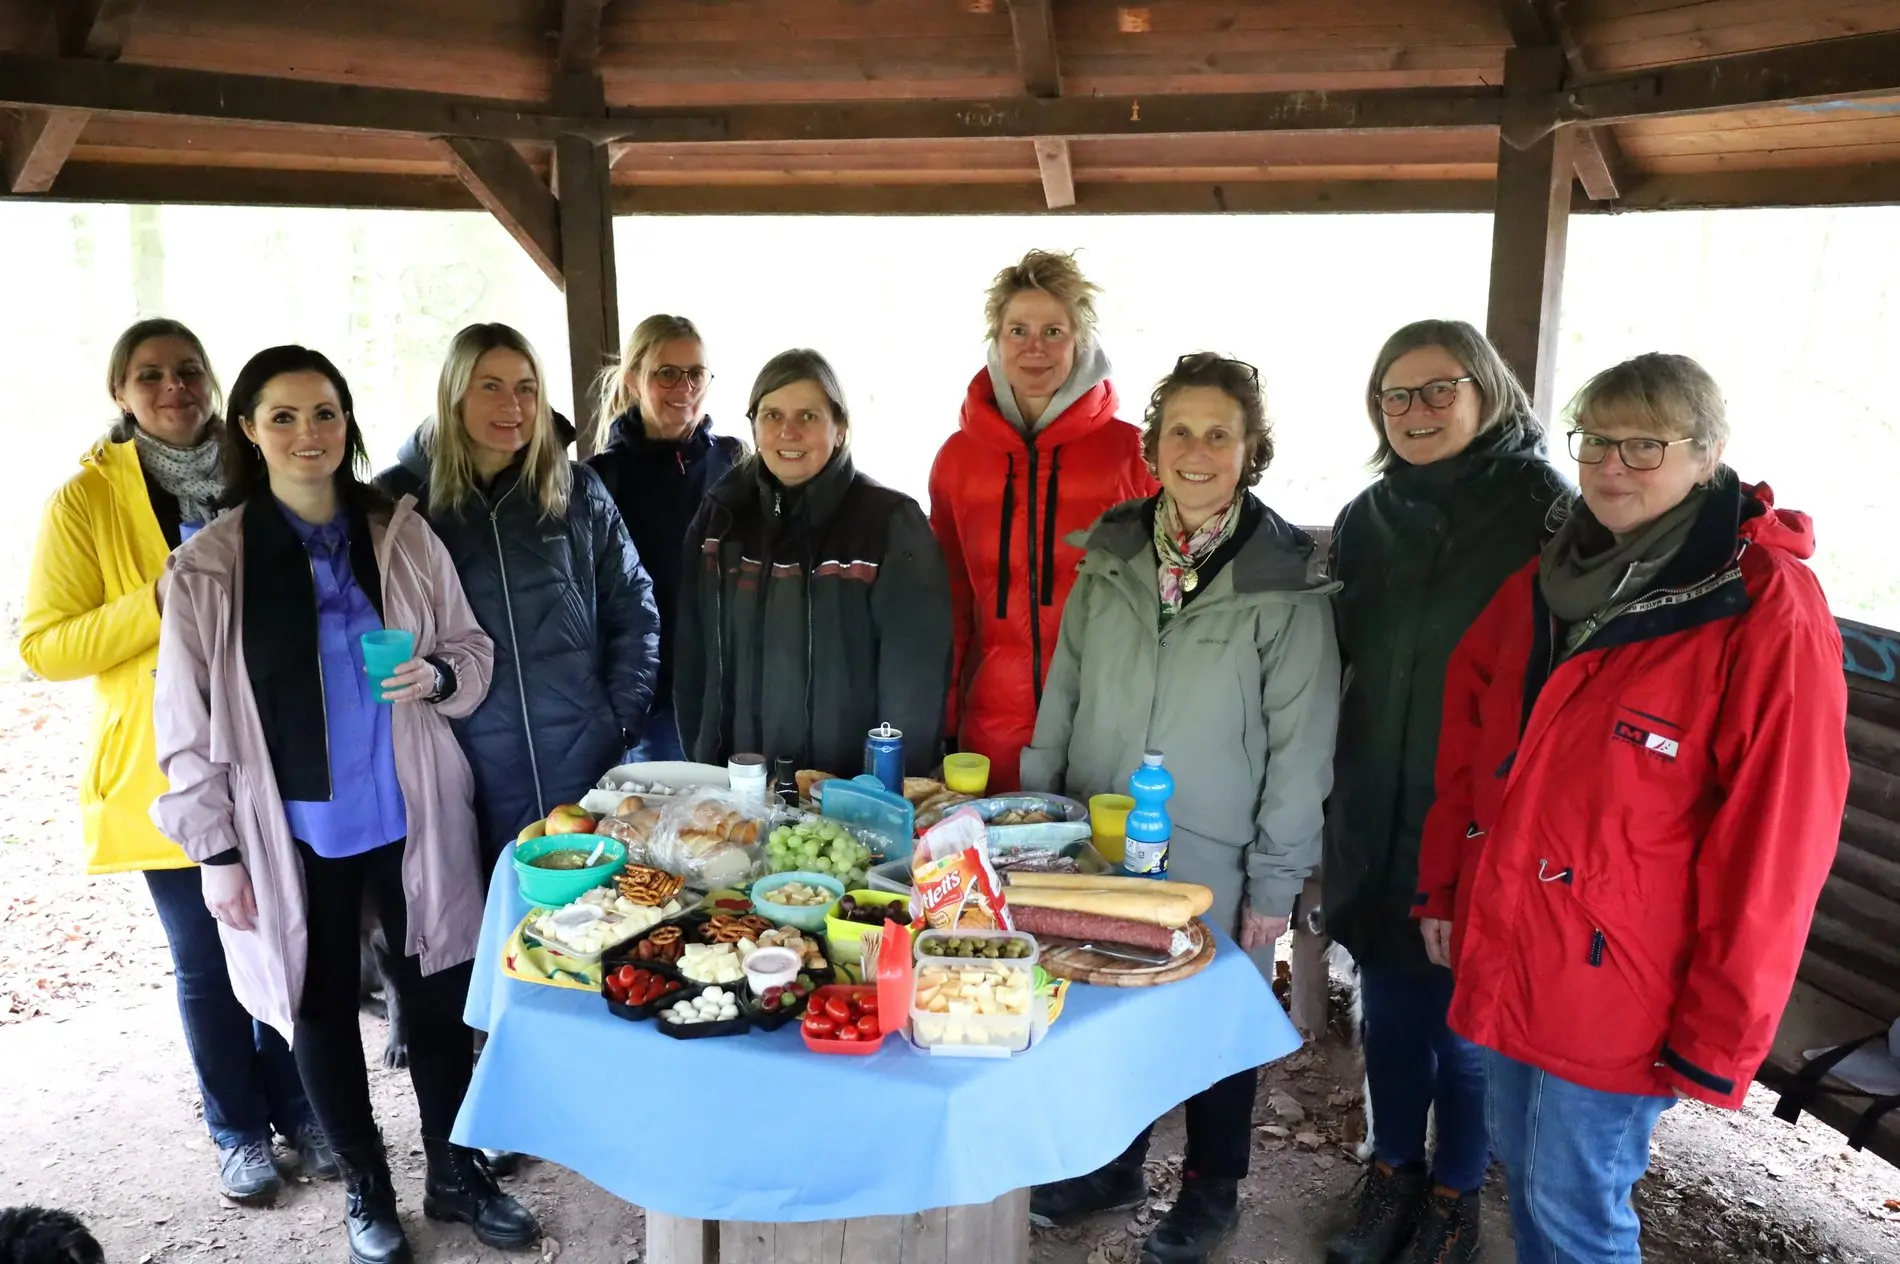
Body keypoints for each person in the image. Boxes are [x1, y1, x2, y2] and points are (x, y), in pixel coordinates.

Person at [1415, 353, 1849, 1264]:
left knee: (1573, 1207)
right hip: (1515, 937)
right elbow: (1470, 749)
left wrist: (1717, 1036)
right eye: (1597, 442)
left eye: (1645, 445)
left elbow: (1779, 840)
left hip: (1629, 979)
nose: (1613, 466)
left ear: (1709, 453)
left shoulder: (1761, 605)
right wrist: (1443, 893)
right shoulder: (1553, 577)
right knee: (1530, 1182)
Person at [151, 345, 541, 1263]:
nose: (306, 433)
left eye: (323, 413)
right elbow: (184, 725)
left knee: (439, 994)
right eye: (282, 416)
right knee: (318, 1004)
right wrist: (215, 853)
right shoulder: (212, 566)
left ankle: (454, 1173)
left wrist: (438, 674)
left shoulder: (400, 533)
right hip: (294, 831)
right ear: (248, 428)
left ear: (348, 424)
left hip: (414, 811)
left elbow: (471, 651)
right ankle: (368, 1186)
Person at [1020, 353, 1341, 1264]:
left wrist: (1275, 882)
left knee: (1212, 1024)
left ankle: (1212, 1192)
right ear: (1153, 445)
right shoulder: (1114, 551)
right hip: (1097, 827)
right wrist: (1042, 809)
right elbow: (1064, 689)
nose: (1197, 451)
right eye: (1180, 432)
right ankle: (1112, 1163)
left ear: (1251, 450)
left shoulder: (1284, 582)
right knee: (1101, 1000)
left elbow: (1301, 748)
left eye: (1219, 433)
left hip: (1216, 846)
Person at [20, 319, 328, 1205]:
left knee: (288, 939)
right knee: (207, 956)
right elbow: (44, 646)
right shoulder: (85, 500)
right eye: (149, 374)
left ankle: (300, 1109)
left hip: (275, 756)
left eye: (189, 370)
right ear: (120, 391)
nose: (173, 386)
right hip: (168, 772)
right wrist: (159, 598)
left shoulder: (255, 469)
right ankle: (236, 1128)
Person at [1322, 321, 1568, 1264]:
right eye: (1397, 395)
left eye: (1439, 389)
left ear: (1487, 391)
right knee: (1391, 1015)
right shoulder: (1367, 516)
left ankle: (1458, 1188)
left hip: (1481, 820)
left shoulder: (1550, 515)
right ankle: (1393, 1170)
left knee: (1466, 1031)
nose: (1416, 411)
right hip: (1379, 812)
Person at [381, 323, 659, 862]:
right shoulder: (399, 502)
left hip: (583, 758)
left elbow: (635, 609)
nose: (512, 404)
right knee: (489, 924)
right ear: (453, 393)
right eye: (490, 386)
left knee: (594, 922)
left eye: (526, 388)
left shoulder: (577, 490)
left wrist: (621, 719)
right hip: (464, 763)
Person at [929, 249, 1156, 791]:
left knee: (1095, 872)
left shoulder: (1136, 454)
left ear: (1081, 343)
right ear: (996, 341)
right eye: (1018, 330)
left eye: (1053, 330)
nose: (1035, 347)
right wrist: (944, 719)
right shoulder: (958, 459)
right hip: (991, 726)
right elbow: (950, 599)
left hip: (1105, 720)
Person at [676, 349, 953, 776]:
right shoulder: (721, 518)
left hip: (846, 793)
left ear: (839, 429)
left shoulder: (887, 523)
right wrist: (701, 761)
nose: (788, 432)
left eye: (808, 416)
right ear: (753, 425)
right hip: (737, 786)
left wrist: (884, 789)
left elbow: (913, 684)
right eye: (772, 415)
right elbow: (692, 650)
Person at [587, 314, 744, 762]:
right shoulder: (600, 479)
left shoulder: (736, 465)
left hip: (731, 698)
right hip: (651, 708)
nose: (684, 387)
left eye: (695, 373)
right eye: (667, 373)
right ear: (635, 380)